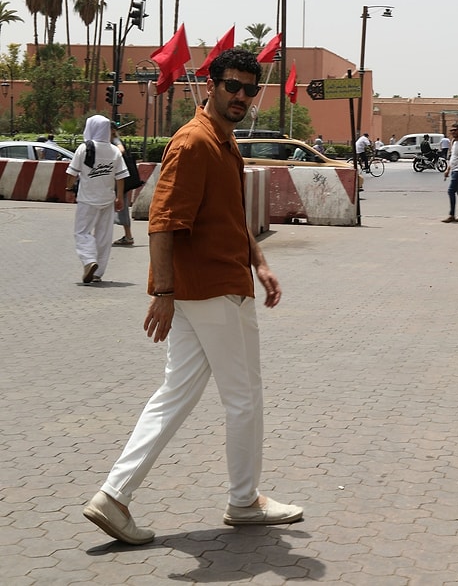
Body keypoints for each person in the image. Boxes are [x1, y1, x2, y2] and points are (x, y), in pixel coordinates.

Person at [83, 48, 303, 546]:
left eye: (250, 88)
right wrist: (162, 291)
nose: (241, 96)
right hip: (213, 291)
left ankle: (113, 497)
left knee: (175, 394)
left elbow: (229, 215)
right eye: (233, 86)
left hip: (213, 287)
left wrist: (261, 263)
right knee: (245, 398)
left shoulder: (222, 143)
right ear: (212, 86)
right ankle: (244, 500)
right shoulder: (195, 143)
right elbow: (162, 220)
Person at [66, 115, 128, 284]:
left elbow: (72, 172)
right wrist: (120, 197)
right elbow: (120, 176)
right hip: (107, 199)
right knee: (104, 235)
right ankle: (98, 272)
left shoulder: (83, 148)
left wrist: (69, 189)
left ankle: (88, 260)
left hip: (87, 199)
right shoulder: (114, 150)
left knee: (82, 232)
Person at [111, 123, 144, 246]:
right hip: (115, 179)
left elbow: (121, 150)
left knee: (121, 208)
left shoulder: (114, 140)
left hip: (117, 180)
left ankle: (128, 236)